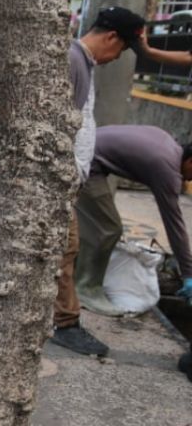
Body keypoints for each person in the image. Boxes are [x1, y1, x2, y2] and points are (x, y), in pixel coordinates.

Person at [51, 5, 146, 356]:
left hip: (68, 179)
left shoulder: (82, 62)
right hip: (60, 182)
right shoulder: (74, 60)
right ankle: (66, 323)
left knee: (65, 250)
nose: (116, 57)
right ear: (110, 37)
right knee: (66, 249)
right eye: (120, 49)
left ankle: (65, 320)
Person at [73, 126, 192, 311]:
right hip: (86, 161)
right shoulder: (168, 170)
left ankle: (73, 274)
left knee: (88, 223)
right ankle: (86, 290)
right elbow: (174, 225)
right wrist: (188, 274)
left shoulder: (168, 142)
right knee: (108, 229)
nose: (190, 181)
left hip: (84, 146)